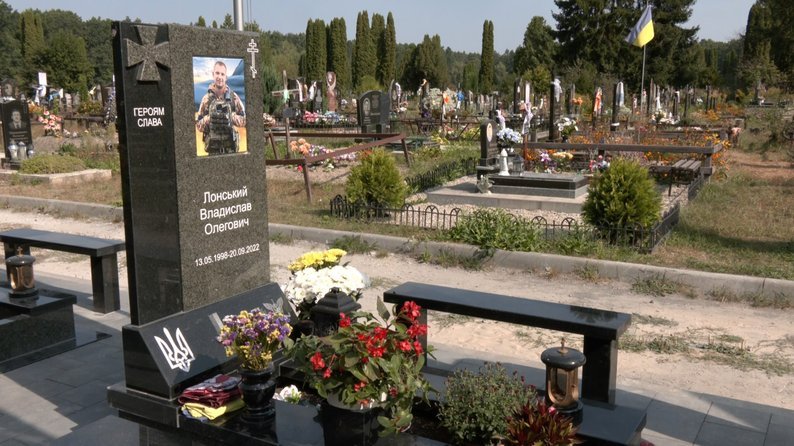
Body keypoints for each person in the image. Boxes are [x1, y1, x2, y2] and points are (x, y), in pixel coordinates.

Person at [196, 61, 246, 155]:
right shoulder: (206, 99)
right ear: (213, 74)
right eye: (217, 73)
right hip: (213, 151)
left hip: (230, 150)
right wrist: (210, 118)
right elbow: (198, 126)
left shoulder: (234, 97)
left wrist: (230, 117)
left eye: (222, 74)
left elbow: (244, 120)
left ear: (226, 77)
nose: (220, 77)